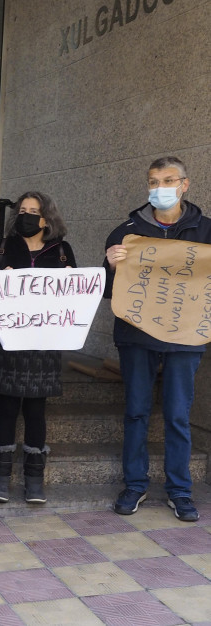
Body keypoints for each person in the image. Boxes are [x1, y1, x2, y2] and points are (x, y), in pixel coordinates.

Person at [104, 156, 206, 522]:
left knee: (178, 415)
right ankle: (135, 484)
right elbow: (107, 293)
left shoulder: (206, 231)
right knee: (136, 412)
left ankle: (179, 490)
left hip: (186, 338)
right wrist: (112, 267)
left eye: (167, 180)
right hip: (137, 337)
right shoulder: (125, 232)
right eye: (152, 181)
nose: (159, 187)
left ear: (184, 184)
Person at [0, 192, 75, 504]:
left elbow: (74, 297)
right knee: (6, 406)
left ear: (47, 218)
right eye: (22, 210)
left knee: (36, 409)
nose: (27, 216)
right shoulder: (3, 248)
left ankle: (35, 479)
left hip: (43, 343)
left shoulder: (62, 251)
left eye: (34, 211)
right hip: (8, 341)